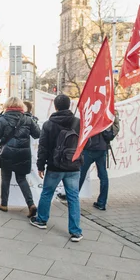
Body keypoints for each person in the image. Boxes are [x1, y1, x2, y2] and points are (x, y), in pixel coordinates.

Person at [31, 94, 83, 242]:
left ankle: (41, 220)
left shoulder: (48, 124)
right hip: (73, 165)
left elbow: (43, 147)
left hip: (55, 166)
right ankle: (75, 231)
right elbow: (86, 142)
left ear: (55, 106)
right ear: (69, 106)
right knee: (73, 198)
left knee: (47, 193)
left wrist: (40, 165)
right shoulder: (78, 122)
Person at [0, 96, 41, 215]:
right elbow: (37, 134)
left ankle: (4, 204)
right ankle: (31, 204)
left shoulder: (3, 119)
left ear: (7, 106)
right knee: (21, 179)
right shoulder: (27, 119)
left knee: (6, 178)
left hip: (7, 152)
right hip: (23, 153)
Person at [78, 112, 120, 211]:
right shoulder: (110, 112)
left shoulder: (94, 108)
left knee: (80, 174)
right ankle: (102, 203)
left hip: (90, 147)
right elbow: (115, 129)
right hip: (102, 148)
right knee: (103, 176)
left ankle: (73, 199)